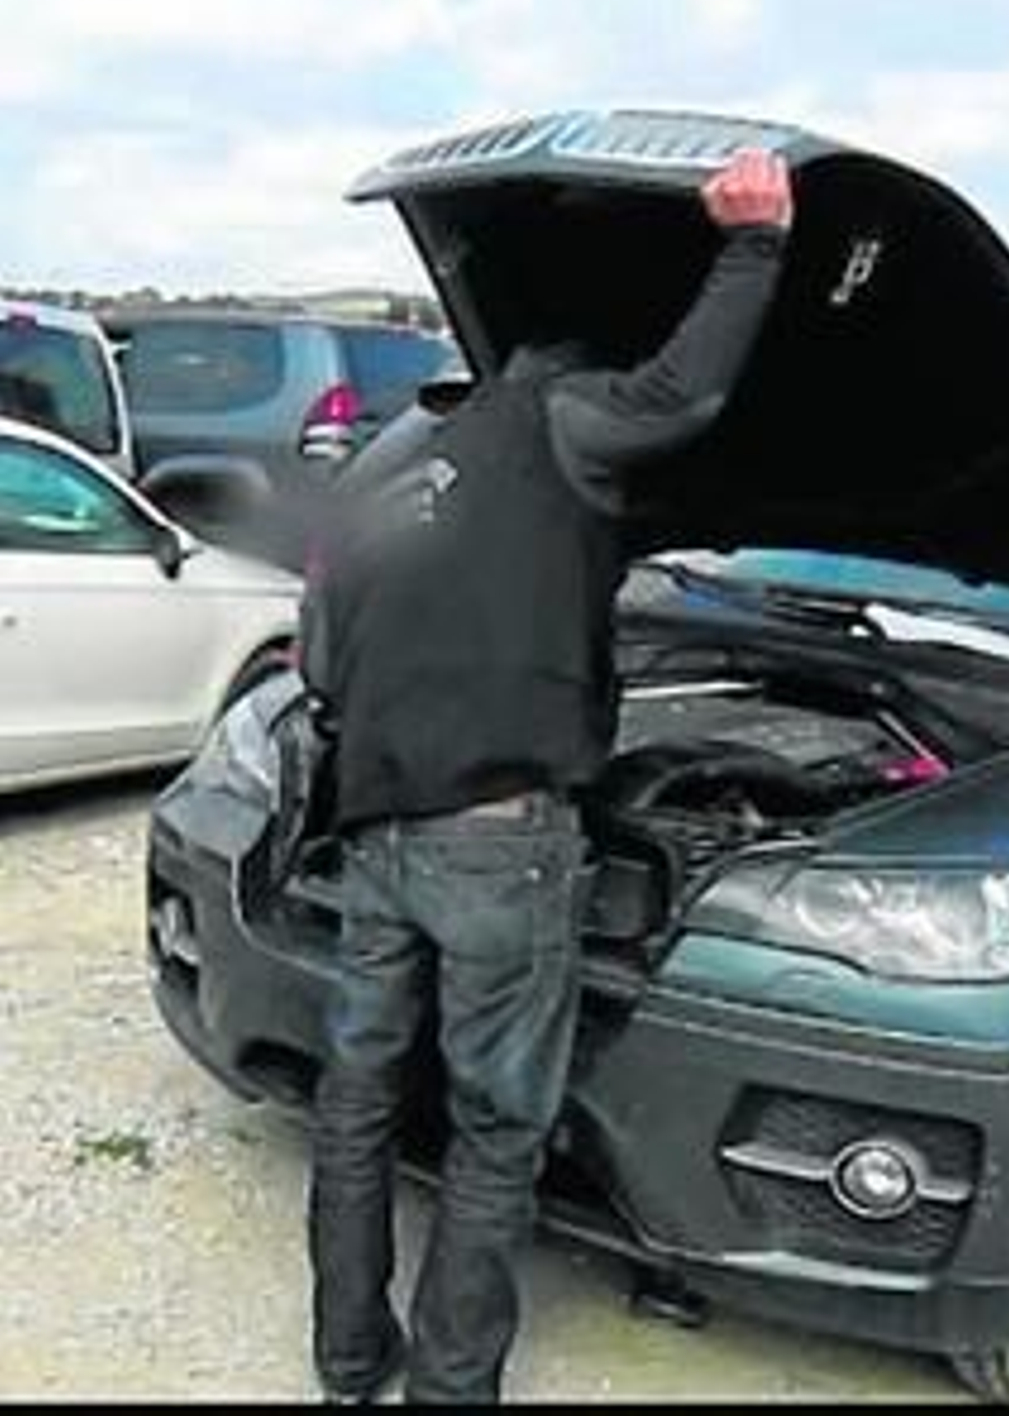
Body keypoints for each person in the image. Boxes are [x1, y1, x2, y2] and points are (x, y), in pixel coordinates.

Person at [301, 147, 794, 1405]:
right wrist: (754, 245)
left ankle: (350, 1363)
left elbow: (318, 663)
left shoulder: (394, 474)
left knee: (356, 1101)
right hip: (496, 842)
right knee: (495, 1126)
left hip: (377, 837)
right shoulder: (565, 422)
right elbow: (683, 395)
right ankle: (452, 1392)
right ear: (577, 372)